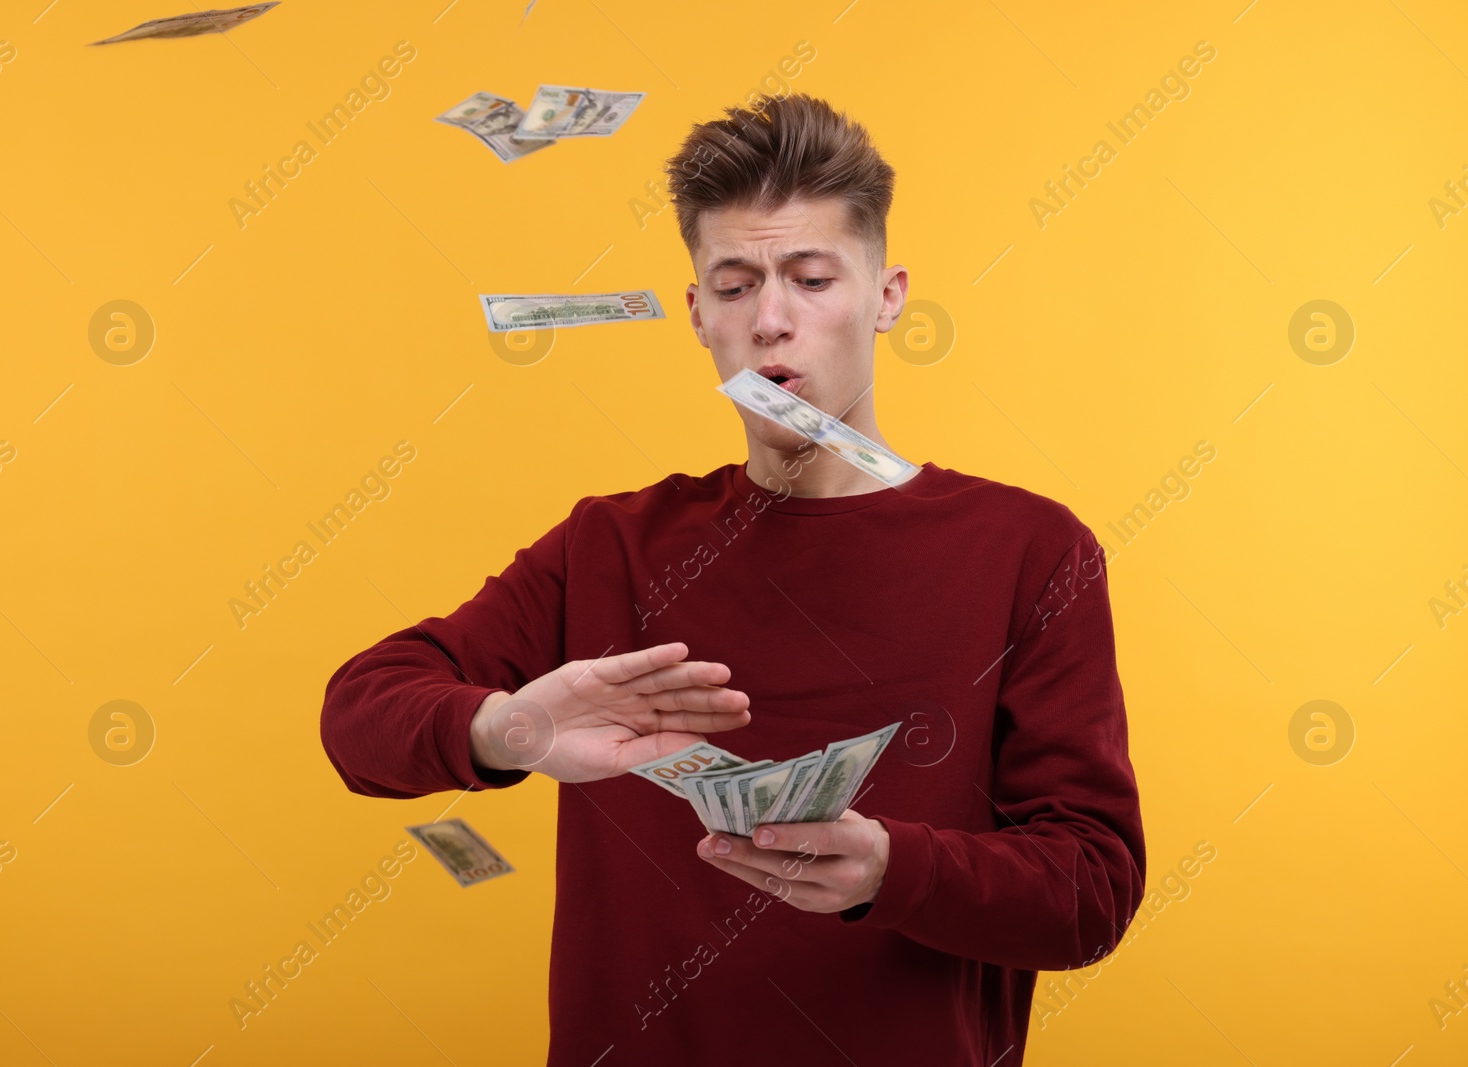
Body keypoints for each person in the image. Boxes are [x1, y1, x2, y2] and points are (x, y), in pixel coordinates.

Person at [320, 92, 1145, 1066]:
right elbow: (359, 715)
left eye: (810, 277)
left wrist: (891, 866)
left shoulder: (1029, 551)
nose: (772, 320)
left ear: (887, 295)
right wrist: (515, 727)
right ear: (697, 315)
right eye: (735, 283)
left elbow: (1089, 890)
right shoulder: (610, 546)